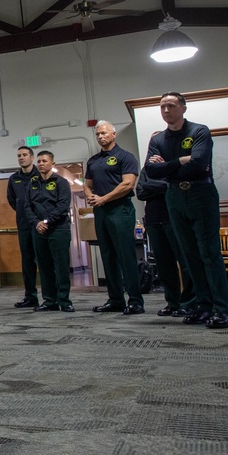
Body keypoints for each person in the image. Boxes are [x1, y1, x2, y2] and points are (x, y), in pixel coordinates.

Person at [146, 92, 228, 329]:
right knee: (190, 255)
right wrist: (180, 162)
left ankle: (222, 310)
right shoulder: (158, 139)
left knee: (209, 253)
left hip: (200, 194)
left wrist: (165, 166)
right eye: (162, 106)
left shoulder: (199, 131)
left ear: (183, 108)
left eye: (171, 106)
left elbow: (199, 164)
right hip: (174, 197)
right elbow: (149, 172)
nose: (166, 110)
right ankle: (202, 307)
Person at [85, 121, 143, 315]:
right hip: (101, 212)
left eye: (104, 133)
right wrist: (90, 196)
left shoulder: (125, 157)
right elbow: (87, 184)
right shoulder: (93, 160)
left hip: (120, 209)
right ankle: (115, 299)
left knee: (125, 255)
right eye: (98, 134)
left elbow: (128, 185)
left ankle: (135, 301)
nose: (101, 136)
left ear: (113, 134)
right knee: (107, 256)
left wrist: (104, 198)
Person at [136, 164, 195, 317]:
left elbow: (177, 187)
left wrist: (153, 186)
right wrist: (164, 186)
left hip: (174, 218)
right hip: (153, 221)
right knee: (164, 265)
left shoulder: (175, 165)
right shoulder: (147, 170)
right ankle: (172, 302)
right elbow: (140, 192)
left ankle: (189, 303)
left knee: (186, 264)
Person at [23, 151, 74, 312]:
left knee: (61, 267)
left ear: (53, 164)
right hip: (39, 231)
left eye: (44, 161)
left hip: (58, 229)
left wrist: (47, 221)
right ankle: (49, 301)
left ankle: (64, 301)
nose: (41, 163)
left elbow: (63, 205)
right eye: (39, 161)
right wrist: (36, 223)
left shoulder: (61, 182)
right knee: (44, 267)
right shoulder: (32, 183)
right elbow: (27, 206)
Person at [6, 146, 40, 308]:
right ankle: (30, 296)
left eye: (25, 155)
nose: (21, 158)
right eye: (19, 155)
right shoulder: (14, 179)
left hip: (41, 225)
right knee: (27, 262)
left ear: (32, 158)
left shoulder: (41, 175)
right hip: (24, 225)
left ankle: (51, 296)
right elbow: (12, 201)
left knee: (45, 261)